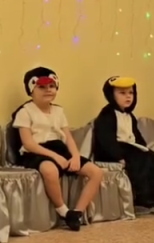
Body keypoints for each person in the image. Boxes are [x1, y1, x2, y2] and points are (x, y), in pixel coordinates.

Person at [9, 67, 104, 231]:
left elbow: (68, 137)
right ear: (31, 90)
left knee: (96, 172)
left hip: (59, 148)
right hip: (36, 151)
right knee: (50, 169)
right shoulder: (25, 112)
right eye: (41, 87)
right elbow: (28, 143)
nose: (48, 90)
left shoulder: (59, 111)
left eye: (51, 86)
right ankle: (63, 211)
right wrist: (54, 157)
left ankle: (77, 212)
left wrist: (75, 156)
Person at [93, 76, 154, 213]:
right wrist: (118, 157)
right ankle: (142, 195)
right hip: (114, 149)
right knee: (138, 159)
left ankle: (153, 191)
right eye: (122, 93)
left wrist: (144, 148)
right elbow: (106, 139)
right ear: (111, 95)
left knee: (151, 156)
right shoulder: (107, 115)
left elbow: (136, 135)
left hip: (129, 147)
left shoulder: (130, 116)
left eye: (130, 93)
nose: (128, 96)